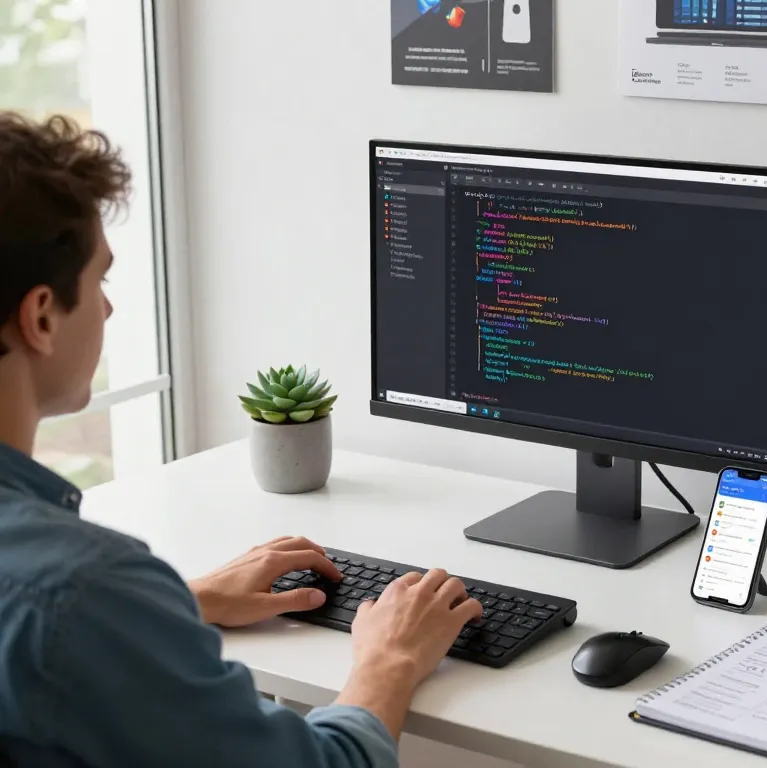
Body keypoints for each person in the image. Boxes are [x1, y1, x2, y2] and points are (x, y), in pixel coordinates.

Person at [0, 112, 483, 767]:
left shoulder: (64, 596)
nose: (109, 310)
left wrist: (175, 605)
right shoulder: (83, 591)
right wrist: (389, 657)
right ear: (40, 318)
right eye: (100, 281)